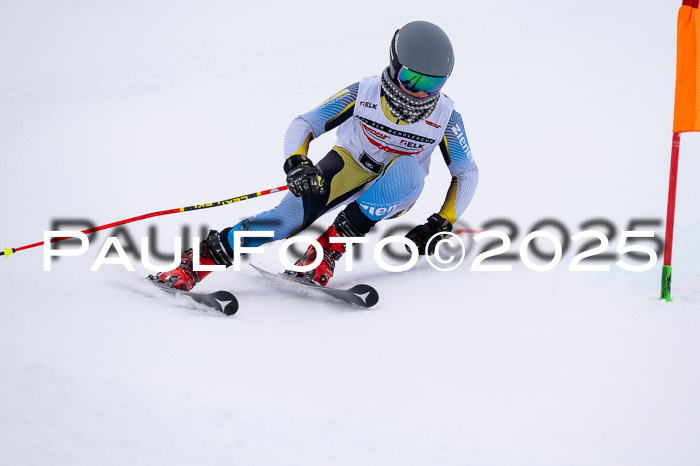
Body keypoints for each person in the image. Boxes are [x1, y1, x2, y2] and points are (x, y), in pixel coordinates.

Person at [153, 20, 479, 291]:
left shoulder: (446, 118)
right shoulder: (364, 93)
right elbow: (305, 123)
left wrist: (443, 221)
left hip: (397, 187)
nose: (420, 92)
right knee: (283, 221)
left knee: (407, 168)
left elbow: (466, 172)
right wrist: (297, 161)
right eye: (412, 79)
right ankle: (199, 262)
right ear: (394, 66)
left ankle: (325, 253)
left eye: (432, 83)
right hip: (348, 165)